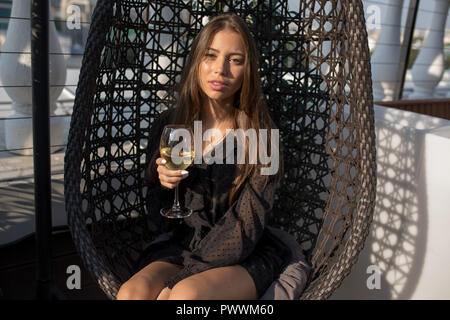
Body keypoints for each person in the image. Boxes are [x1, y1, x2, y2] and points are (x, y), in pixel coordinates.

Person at [117, 13, 296, 300]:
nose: (220, 70)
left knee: (185, 296)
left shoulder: (263, 137)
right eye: (210, 56)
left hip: (242, 253)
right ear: (196, 61)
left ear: (248, 70)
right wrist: (163, 183)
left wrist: (180, 279)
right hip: (182, 245)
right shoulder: (170, 125)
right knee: (130, 295)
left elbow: (245, 229)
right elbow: (162, 222)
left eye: (235, 60)